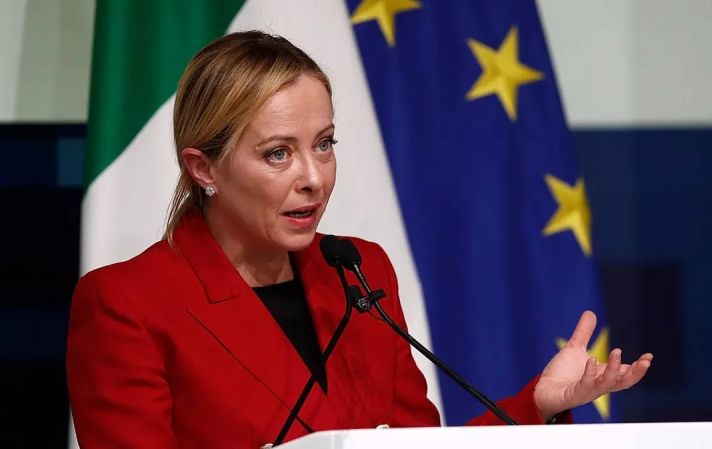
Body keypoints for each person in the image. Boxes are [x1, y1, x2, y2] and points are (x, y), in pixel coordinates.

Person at [66, 31, 652, 449]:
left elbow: (413, 447)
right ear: (204, 168)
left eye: (324, 144)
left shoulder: (358, 271)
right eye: (278, 153)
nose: (314, 177)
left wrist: (537, 405)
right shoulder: (128, 304)